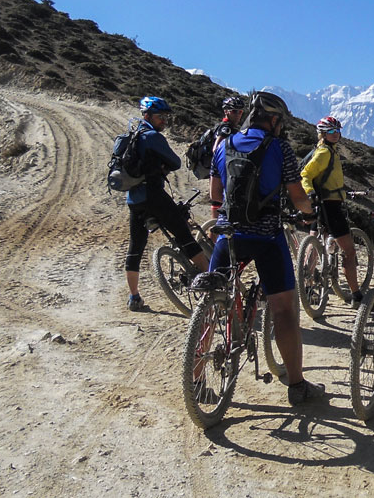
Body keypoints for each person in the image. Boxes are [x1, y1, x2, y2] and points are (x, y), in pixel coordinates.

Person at [204, 91, 326, 406]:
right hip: (267, 236)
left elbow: (215, 193)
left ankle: (197, 380)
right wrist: (309, 213)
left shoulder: (225, 144)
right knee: (284, 309)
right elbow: (297, 195)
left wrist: (223, 218)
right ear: (272, 119)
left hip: (229, 236)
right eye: (280, 121)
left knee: (210, 302)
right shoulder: (279, 148)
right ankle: (297, 386)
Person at [124, 96, 208, 312]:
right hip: (153, 195)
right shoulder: (152, 137)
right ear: (147, 116)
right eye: (161, 117)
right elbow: (176, 162)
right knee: (184, 235)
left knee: (135, 247)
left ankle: (134, 298)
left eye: (166, 117)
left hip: (134, 199)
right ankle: (213, 286)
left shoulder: (130, 135)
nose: (164, 121)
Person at [300, 116, 362, 306]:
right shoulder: (325, 153)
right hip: (330, 206)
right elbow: (306, 175)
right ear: (323, 134)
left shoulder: (326, 150)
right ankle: (357, 295)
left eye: (338, 131)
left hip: (322, 204)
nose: (336, 135)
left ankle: (308, 285)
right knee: (349, 251)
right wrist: (310, 193)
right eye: (331, 132)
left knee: (316, 240)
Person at [207, 95, 247, 219]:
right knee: (220, 208)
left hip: (219, 170)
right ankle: (213, 238)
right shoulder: (226, 128)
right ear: (226, 112)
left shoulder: (226, 127)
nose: (238, 114)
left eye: (240, 111)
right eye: (234, 111)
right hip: (222, 171)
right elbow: (216, 148)